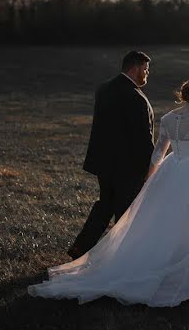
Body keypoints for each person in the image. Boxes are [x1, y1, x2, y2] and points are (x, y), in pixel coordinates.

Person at [29, 77, 189, 307]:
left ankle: (174, 260)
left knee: (168, 221)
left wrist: (150, 180)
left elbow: (158, 154)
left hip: (172, 171)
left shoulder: (167, 118)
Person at [66, 50, 154, 260]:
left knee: (105, 204)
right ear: (134, 68)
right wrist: (149, 169)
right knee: (126, 212)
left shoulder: (104, 88)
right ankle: (120, 256)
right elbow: (143, 138)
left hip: (104, 163)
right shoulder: (136, 97)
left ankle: (81, 247)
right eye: (145, 69)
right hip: (129, 167)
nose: (147, 73)